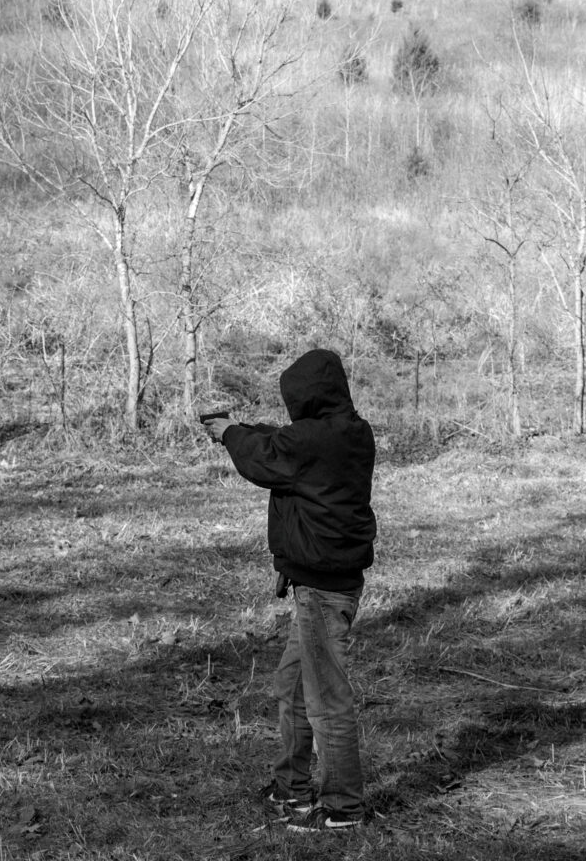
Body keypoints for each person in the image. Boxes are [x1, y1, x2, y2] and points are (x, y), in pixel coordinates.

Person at [203, 348, 377, 834]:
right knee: (294, 690)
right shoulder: (350, 432)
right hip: (321, 584)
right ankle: (293, 789)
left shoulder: (312, 440)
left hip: (322, 590)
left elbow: (266, 459)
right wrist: (243, 431)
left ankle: (343, 807)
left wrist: (231, 434)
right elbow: (281, 444)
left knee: (325, 700)